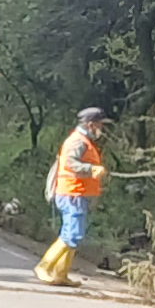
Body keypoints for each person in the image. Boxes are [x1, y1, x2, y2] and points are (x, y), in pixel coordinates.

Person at [39, 107, 109, 282]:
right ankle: (45, 266)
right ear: (91, 124)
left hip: (77, 194)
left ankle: (61, 274)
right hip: (72, 194)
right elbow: (70, 163)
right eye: (100, 124)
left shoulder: (84, 141)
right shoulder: (78, 141)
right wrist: (91, 169)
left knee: (73, 235)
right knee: (72, 234)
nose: (102, 128)